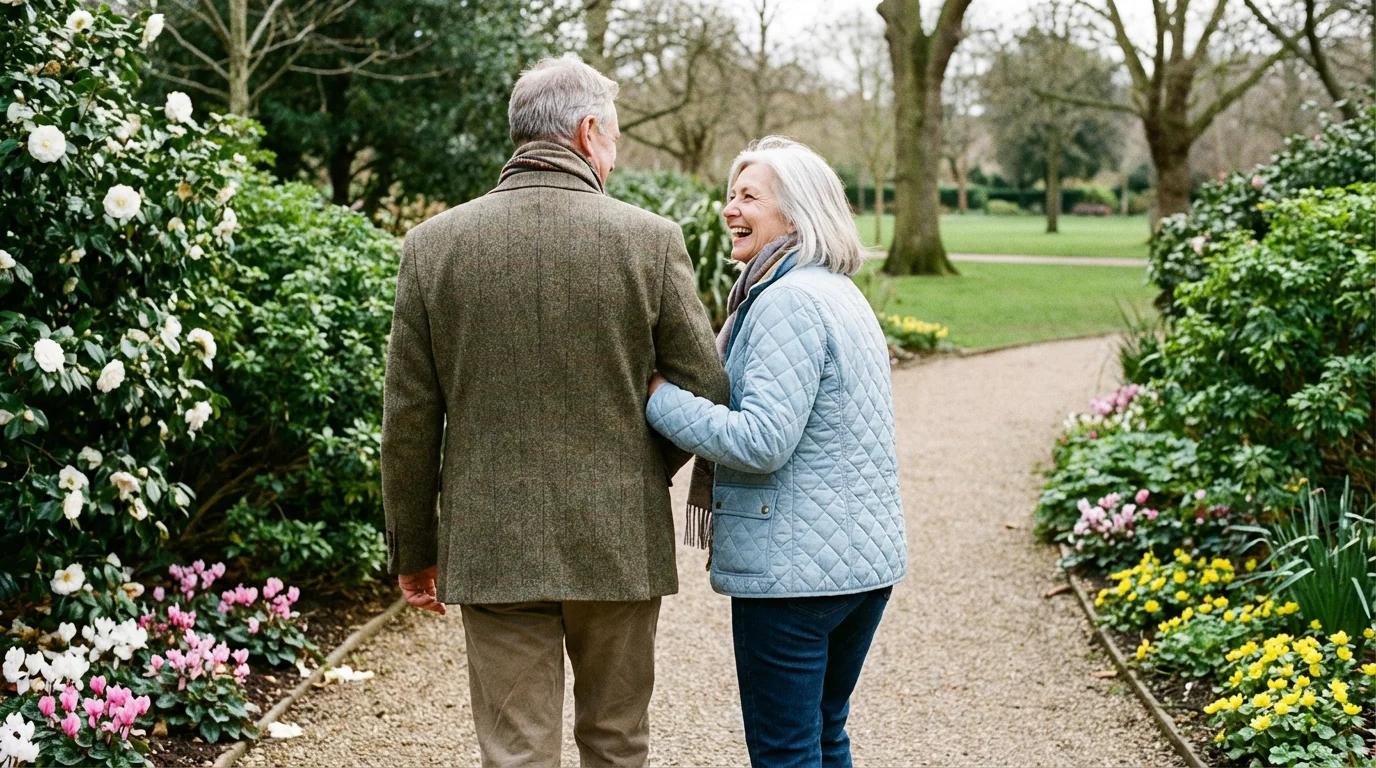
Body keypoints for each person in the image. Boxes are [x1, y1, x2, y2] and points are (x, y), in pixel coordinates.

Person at [380, 55, 728, 768]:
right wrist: (636, 463)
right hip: (618, 538)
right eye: (616, 137)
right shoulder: (649, 240)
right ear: (587, 131)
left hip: (493, 538)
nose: (616, 153)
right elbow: (705, 387)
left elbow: (410, 421)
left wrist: (413, 550)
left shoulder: (432, 247)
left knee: (517, 755)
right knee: (616, 743)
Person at [646, 137, 907, 768]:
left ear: (795, 213)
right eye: (730, 195)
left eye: (749, 196)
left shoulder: (786, 301)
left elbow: (761, 441)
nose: (731, 208)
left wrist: (657, 396)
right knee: (824, 736)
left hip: (794, 575)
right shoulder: (839, 291)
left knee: (786, 753)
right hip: (860, 567)